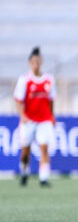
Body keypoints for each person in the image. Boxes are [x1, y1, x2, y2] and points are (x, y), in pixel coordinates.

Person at [14, 47, 56, 187]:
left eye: (38, 61)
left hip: (44, 120)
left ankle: (43, 178)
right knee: (25, 151)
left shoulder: (49, 80)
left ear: (41, 62)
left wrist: (52, 116)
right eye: (33, 61)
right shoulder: (24, 80)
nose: (36, 64)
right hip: (29, 120)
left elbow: (51, 100)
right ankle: (24, 173)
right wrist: (22, 115)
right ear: (30, 63)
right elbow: (18, 100)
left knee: (44, 148)